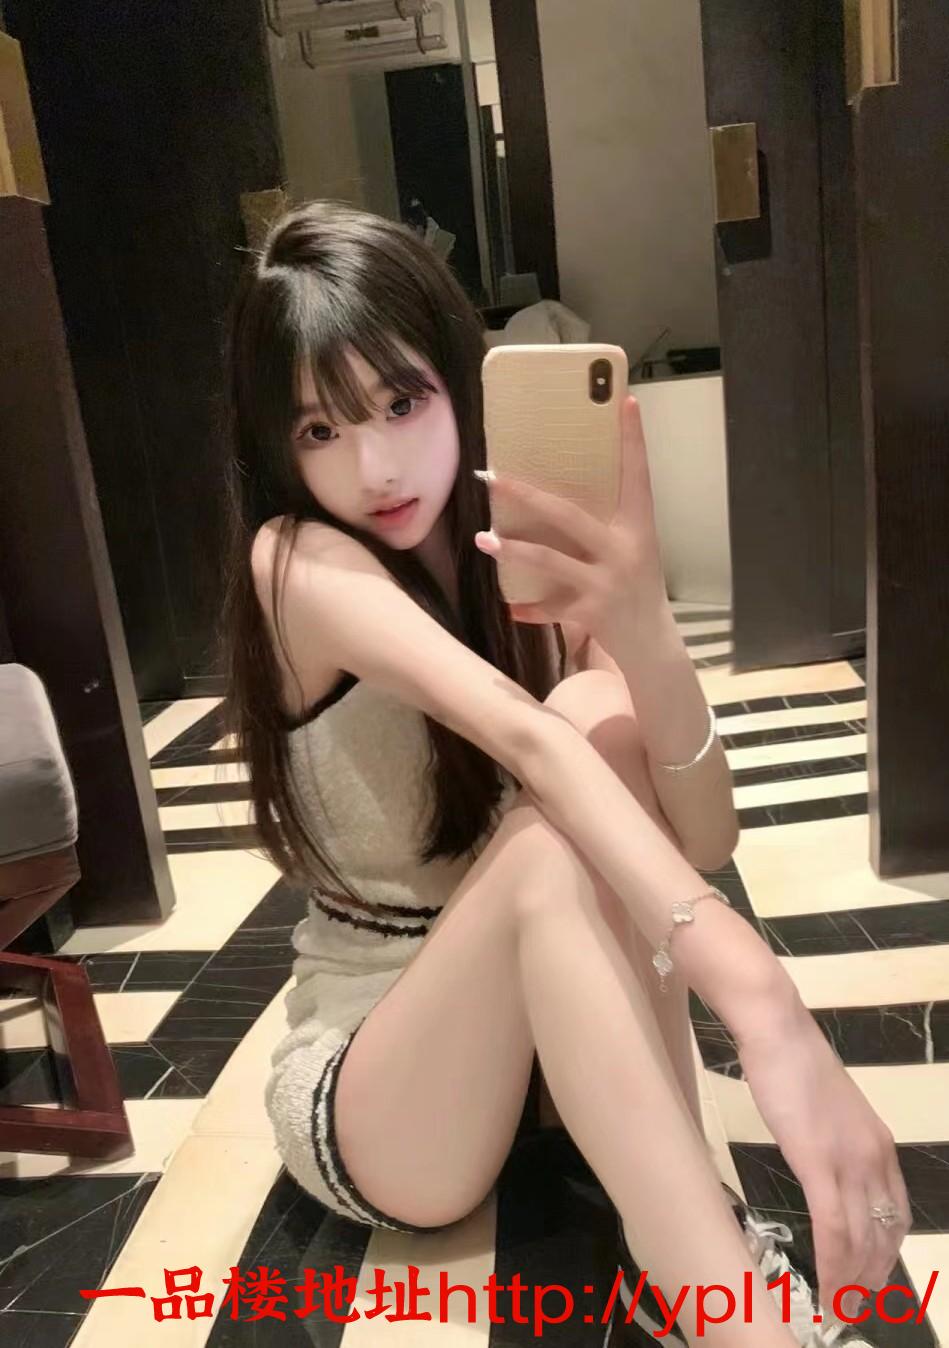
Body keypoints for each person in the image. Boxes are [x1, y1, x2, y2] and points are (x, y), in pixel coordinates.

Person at [216, 199, 909, 1347]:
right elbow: (527, 743)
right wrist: (766, 1007)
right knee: (552, 813)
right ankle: (733, 1309)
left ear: (457, 379)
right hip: (387, 1078)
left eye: (401, 402)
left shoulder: (522, 543)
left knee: (595, 713)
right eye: (320, 429)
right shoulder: (297, 559)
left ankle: (685, 1251)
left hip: (550, 1050)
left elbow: (702, 837)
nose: (375, 464)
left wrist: (642, 627)